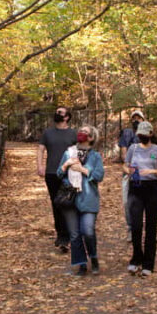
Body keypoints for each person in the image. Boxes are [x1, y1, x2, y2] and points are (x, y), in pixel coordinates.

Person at [57, 125, 105, 276]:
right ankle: (81, 265)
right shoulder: (68, 153)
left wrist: (83, 170)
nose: (81, 133)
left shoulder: (95, 156)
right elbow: (59, 173)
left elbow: (99, 176)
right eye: (80, 131)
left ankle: (93, 257)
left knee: (88, 231)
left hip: (88, 198)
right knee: (74, 234)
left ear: (91, 138)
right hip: (70, 198)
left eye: (85, 132)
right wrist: (66, 165)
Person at [123, 120, 157, 277]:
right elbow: (125, 164)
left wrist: (152, 171)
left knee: (151, 227)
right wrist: (129, 171)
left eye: (144, 134)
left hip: (152, 188)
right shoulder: (133, 148)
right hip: (136, 187)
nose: (141, 136)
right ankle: (136, 258)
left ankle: (149, 263)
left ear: (150, 134)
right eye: (139, 134)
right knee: (135, 225)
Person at [37, 106, 77, 252]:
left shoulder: (73, 133)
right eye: (57, 112)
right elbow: (41, 149)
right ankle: (61, 236)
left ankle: (70, 235)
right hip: (51, 173)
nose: (57, 114)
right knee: (56, 204)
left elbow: (80, 152)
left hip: (69, 173)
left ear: (67, 117)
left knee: (68, 203)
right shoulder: (47, 133)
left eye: (60, 112)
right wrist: (40, 166)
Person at [117, 109, 145, 242]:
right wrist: (129, 165)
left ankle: (147, 230)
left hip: (146, 174)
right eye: (134, 118)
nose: (136, 120)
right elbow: (124, 153)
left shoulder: (148, 134)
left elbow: (154, 154)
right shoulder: (127, 133)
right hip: (129, 171)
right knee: (127, 202)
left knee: (146, 202)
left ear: (143, 120)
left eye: (138, 118)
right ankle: (130, 229)